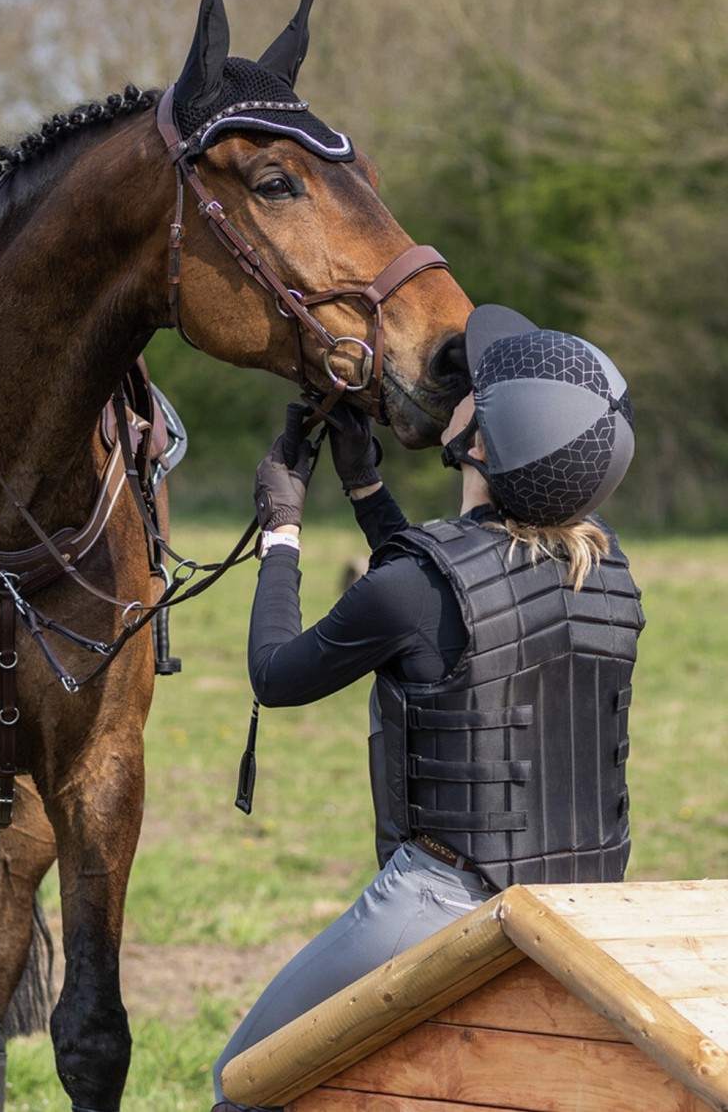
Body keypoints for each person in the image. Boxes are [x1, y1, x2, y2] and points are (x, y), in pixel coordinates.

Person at [211, 304, 644, 1112]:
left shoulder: (418, 587)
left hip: (448, 903)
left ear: (483, 443)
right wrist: (368, 489)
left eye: (477, 391)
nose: (460, 391)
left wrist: (282, 530)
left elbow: (277, 673)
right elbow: (454, 603)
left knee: (244, 1081)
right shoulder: (608, 569)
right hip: (584, 905)